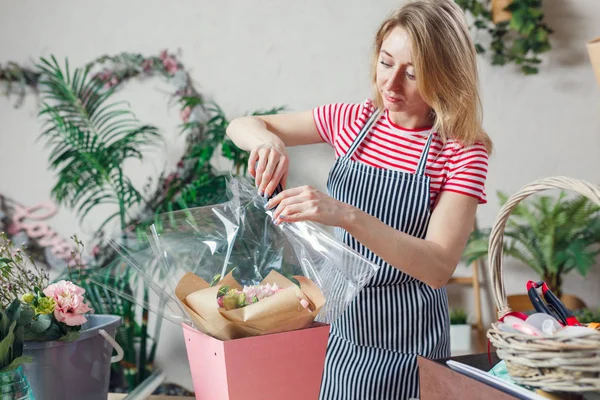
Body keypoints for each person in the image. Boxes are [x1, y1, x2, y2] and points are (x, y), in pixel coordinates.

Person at [226, 0, 492, 398]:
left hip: (412, 345)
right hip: (343, 333)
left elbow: (437, 266)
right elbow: (241, 125)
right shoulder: (352, 121)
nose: (391, 84)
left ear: (446, 75)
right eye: (386, 63)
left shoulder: (461, 151)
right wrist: (268, 142)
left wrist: (344, 215)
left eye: (413, 73)